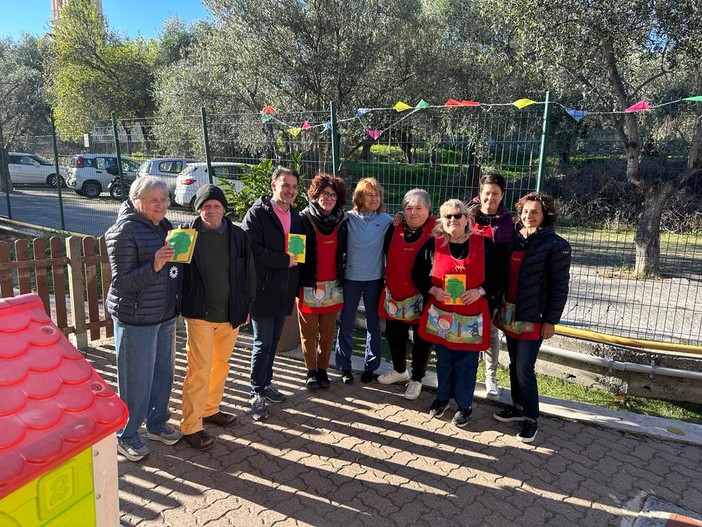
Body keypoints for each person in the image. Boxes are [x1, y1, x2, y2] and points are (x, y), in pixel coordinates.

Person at [105, 176, 182, 462]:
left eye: (164, 199)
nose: (161, 205)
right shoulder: (122, 232)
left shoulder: (162, 226)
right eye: (153, 200)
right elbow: (122, 283)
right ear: (137, 201)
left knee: (164, 373)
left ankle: (157, 424)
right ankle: (125, 435)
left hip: (164, 315)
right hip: (136, 319)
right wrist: (156, 264)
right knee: (136, 380)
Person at [179, 184, 256, 450]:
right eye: (206, 206)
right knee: (198, 369)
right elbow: (175, 274)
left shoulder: (238, 235)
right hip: (199, 312)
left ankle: (211, 409)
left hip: (230, 312)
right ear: (198, 209)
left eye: (216, 206)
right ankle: (191, 426)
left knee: (220, 364)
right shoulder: (185, 235)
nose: (212, 210)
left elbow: (248, 272)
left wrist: (246, 305)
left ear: (224, 209)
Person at [412, 199, 501, 427]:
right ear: (442, 220)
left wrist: (480, 291)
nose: (453, 220)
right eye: (448, 216)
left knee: (466, 362)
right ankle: (442, 398)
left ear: (467, 219)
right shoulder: (434, 244)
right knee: (443, 360)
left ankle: (464, 405)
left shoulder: (484, 245)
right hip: (442, 315)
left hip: (471, 316)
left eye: (458, 215)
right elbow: (417, 273)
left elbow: (499, 277)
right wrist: (431, 289)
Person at [492, 192, 571, 443]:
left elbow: (559, 287)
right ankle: (517, 408)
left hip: (533, 317)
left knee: (525, 367)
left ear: (546, 215)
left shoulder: (557, 245)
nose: (529, 216)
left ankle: (531, 419)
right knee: (515, 364)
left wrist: (550, 321)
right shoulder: (516, 238)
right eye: (525, 211)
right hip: (511, 312)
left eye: (535, 212)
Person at [241, 166, 302, 421]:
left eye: (294, 187)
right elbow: (251, 250)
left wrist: (293, 268)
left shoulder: (296, 215)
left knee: (274, 341)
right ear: (273, 185)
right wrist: (283, 260)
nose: (290, 190)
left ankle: (266, 384)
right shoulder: (257, 214)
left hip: (284, 289)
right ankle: (256, 391)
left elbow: (298, 253)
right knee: (262, 342)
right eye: (285, 185)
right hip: (263, 288)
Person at [377, 189, 436, 400]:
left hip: (423, 297)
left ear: (429, 210)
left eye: (419, 208)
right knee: (394, 335)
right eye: (408, 208)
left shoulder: (437, 230)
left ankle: (417, 378)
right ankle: (400, 371)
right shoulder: (393, 228)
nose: (413, 213)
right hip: (395, 296)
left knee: (422, 339)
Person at [335, 177, 393, 384]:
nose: (375, 198)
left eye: (378, 195)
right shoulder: (346, 218)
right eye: (370, 195)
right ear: (359, 197)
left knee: (373, 325)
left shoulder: (387, 220)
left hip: (374, 280)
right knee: (347, 323)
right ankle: (344, 366)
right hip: (351, 279)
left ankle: (371, 366)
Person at [296, 173, 349, 389]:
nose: (328, 198)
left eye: (333, 195)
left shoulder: (343, 221)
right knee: (308, 333)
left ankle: (323, 370)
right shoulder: (302, 219)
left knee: (327, 333)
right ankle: (310, 371)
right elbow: (296, 253)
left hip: (334, 286)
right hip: (309, 284)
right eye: (324, 193)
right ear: (316, 194)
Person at [468, 172, 513, 400]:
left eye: (495, 193)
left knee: (491, 331)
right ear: (480, 193)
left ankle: (491, 378)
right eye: (487, 193)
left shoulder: (509, 221)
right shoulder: (468, 214)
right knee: (468, 327)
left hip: (493, 285)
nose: (490, 198)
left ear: (502, 194)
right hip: (467, 284)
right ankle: (468, 374)